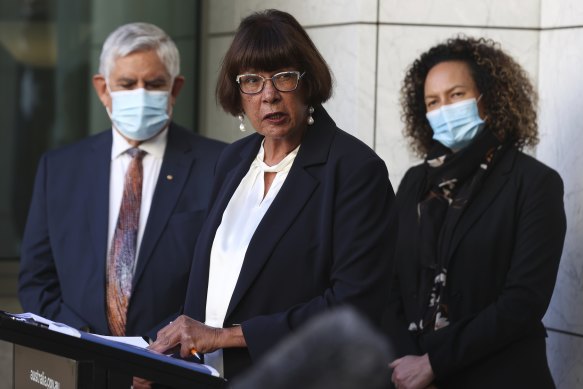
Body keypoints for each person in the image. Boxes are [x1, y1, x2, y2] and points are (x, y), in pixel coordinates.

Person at [149, 9, 395, 380]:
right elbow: (213, 289)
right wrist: (159, 352)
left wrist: (227, 337)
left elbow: (354, 307)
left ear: (308, 82)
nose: (269, 96)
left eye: (284, 77)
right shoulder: (233, 160)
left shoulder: (354, 170)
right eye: (251, 80)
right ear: (238, 91)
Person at [18, 22, 226, 337]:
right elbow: (37, 281)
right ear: (103, 88)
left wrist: (157, 351)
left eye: (154, 84)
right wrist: (87, 345)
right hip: (80, 364)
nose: (140, 95)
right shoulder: (58, 170)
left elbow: (222, 280)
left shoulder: (219, 166)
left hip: (174, 368)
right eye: (127, 84)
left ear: (175, 88)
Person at [385, 36, 566, 389]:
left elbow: (523, 302)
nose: (444, 110)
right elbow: (390, 281)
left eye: (456, 95)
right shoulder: (414, 182)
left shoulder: (533, 182)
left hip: (500, 376)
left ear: (490, 98)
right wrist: (407, 361)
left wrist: (434, 363)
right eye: (432, 102)